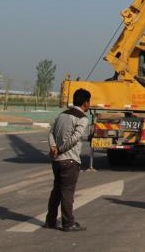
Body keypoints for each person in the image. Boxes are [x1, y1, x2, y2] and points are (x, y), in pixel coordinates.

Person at [45, 88, 91, 232]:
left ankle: (50, 221)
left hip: (56, 160)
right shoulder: (82, 118)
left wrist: (53, 147)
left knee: (57, 191)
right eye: (89, 102)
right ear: (85, 103)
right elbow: (75, 138)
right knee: (67, 192)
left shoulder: (61, 115)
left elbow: (51, 132)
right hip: (69, 160)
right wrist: (60, 149)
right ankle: (68, 223)